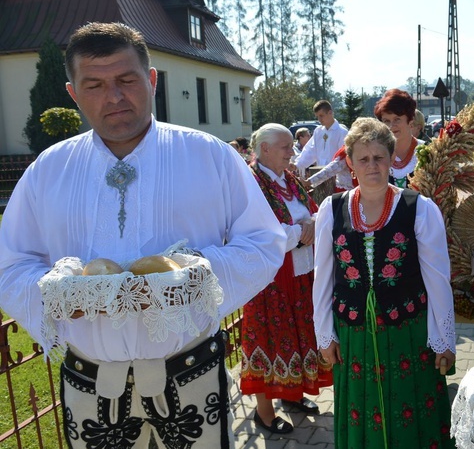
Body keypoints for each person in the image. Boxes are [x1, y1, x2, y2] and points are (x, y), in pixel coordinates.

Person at [0, 22, 287, 448]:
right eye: (94, 84)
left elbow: (264, 242)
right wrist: (56, 298)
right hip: (92, 383)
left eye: (126, 80)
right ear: (73, 93)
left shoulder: (208, 155)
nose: (113, 97)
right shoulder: (49, 169)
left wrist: (196, 279)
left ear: (151, 80)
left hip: (190, 372)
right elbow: (12, 263)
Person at [313, 117, 456, 448]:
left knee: (412, 410)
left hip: (409, 333)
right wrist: (324, 334)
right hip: (353, 335)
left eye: (379, 157)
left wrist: (443, 337)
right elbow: (323, 278)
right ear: (350, 163)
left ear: (392, 158)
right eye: (363, 158)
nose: (372, 165)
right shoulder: (332, 210)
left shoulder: (419, 208)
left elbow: (437, 280)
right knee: (359, 413)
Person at [240, 124, 333, 434]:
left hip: (298, 273)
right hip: (269, 282)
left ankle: (291, 394)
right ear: (264, 149)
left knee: (296, 336)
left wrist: (312, 224)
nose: (292, 152)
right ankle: (264, 413)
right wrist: (299, 231)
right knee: (268, 340)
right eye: (285, 146)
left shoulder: (288, 178)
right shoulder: (251, 182)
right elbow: (255, 232)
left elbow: (315, 211)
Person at [374, 89, 423, 187]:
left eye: (397, 119)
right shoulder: (376, 154)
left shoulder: (428, 151)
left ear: (410, 120)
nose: (391, 126)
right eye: (386, 121)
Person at [292, 100, 347, 177]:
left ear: (330, 113)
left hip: (336, 176)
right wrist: (297, 165)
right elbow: (310, 150)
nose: (319, 119)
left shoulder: (342, 132)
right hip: (320, 175)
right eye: (317, 116)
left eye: (321, 116)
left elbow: (342, 158)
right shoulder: (318, 131)